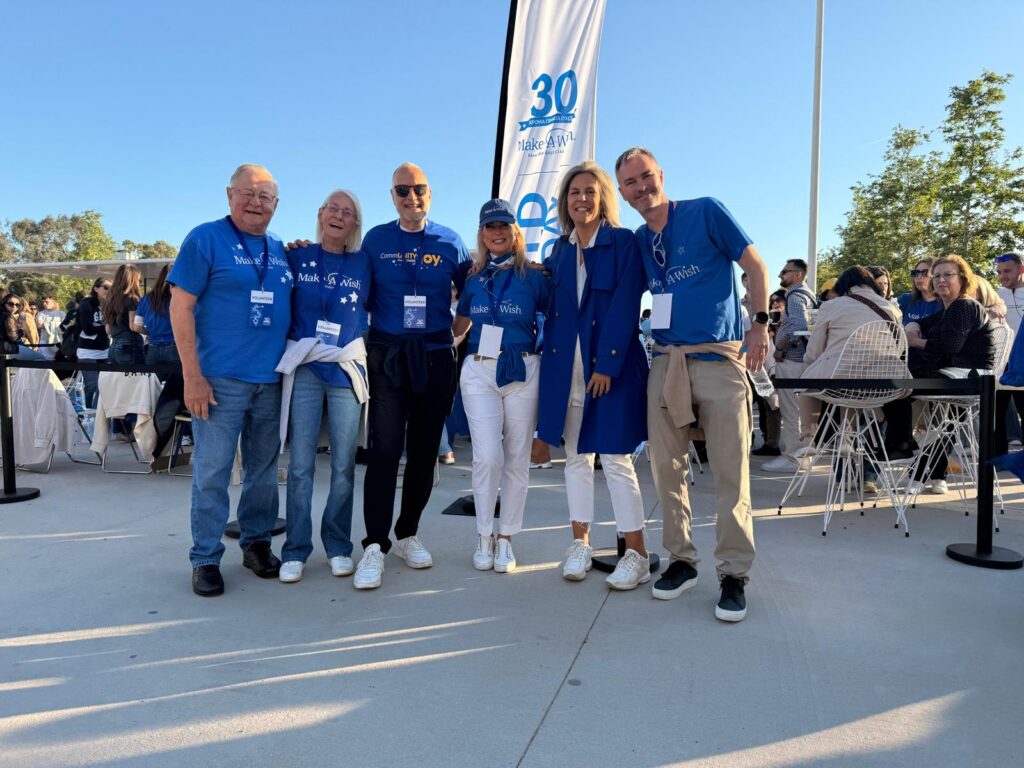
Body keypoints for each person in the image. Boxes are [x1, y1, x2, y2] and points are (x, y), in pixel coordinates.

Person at [615, 146, 768, 622]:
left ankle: (734, 573)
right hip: (665, 362)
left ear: (660, 174)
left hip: (719, 359)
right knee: (666, 469)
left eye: (645, 177)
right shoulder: (640, 239)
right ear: (621, 193)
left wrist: (759, 325)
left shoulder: (704, 211)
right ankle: (682, 560)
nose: (641, 188)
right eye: (630, 184)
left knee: (729, 472)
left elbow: (756, 267)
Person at [168, 164, 293, 597]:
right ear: (229, 195)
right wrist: (192, 376)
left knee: (262, 472)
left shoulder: (280, 249)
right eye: (248, 194)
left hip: (272, 380)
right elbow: (180, 307)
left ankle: (256, 543)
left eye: (266, 197)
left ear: (276, 205)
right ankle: (204, 557)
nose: (256, 203)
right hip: (218, 381)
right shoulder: (205, 238)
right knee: (212, 471)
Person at [353, 163, 471, 590]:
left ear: (430, 193)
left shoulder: (451, 241)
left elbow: (475, 292)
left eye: (418, 189)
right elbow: (354, 288)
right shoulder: (376, 240)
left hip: (436, 356)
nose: (411, 197)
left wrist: (454, 336)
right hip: (388, 355)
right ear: (392, 196)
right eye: (402, 190)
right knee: (384, 451)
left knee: (424, 453)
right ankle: (374, 545)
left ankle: (407, 533)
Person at [537, 160, 650, 590]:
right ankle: (579, 544)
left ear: (603, 196)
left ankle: (636, 553)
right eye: (573, 192)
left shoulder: (624, 243)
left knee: (617, 459)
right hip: (566, 370)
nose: (581, 199)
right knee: (575, 459)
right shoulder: (559, 251)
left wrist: (607, 364)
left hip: (611, 369)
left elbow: (624, 306)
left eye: (589, 191)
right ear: (565, 202)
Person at [275, 189, 370, 584]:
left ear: (354, 224)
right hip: (307, 368)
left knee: (344, 465)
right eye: (333, 208)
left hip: (345, 369)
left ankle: (338, 546)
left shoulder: (365, 263)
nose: (338, 216)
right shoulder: (295, 257)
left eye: (347, 212)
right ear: (320, 213)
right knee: (300, 465)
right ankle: (296, 549)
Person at [452, 199, 549, 574]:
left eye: (503, 227)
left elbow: (556, 316)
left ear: (515, 232)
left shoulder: (535, 277)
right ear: (481, 233)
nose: (497, 233)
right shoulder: (473, 279)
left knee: (516, 458)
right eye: (490, 227)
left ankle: (506, 538)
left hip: (522, 369)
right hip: (479, 370)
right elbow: (459, 327)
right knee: (486, 457)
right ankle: (483, 534)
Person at [883, 254, 995, 492]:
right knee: (942, 424)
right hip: (954, 375)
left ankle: (903, 446)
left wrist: (915, 343)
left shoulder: (964, 306)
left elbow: (948, 347)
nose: (941, 280)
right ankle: (921, 466)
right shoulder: (949, 308)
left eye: (948, 275)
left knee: (895, 386)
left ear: (963, 279)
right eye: (937, 276)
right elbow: (923, 323)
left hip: (967, 378)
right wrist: (913, 326)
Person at [764, 259, 816, 472]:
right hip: (803, 359)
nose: (780, 276)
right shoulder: (808, 295)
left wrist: (781, 348)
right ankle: (801, 455)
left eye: (784, 272)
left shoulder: (795, 296)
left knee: (791, 410)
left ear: (798, 275)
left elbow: (798, 325)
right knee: (802, 410)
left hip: (792, 359)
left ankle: (793, 456)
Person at [135, 264, 184, 458]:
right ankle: (175, 435)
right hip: (176, 348)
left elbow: (137, 326)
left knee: (153, 394)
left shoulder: (146, 299)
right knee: (176, 395)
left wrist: (151, 333)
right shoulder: (180, 297)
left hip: (153, 350)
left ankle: (149, 433)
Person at [994, 251, 1024, 454]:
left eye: (1007, 271)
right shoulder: (996, 295)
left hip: (1021, 363)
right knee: (997, 412)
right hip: (1001, 363)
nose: (1002, 276)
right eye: (999, 272)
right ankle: (997, 455)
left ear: (1021, 269)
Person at [76, 277, 111, 407]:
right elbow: (88, 328)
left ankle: (101, 412)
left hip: (104, 350)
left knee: (105, 385)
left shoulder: (110, 305)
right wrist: (105, 328)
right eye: (105, 287)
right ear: (96, 289)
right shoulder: (86, 304)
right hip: (87, 351)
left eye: (111, 288)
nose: (109, 291)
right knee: (92, 385)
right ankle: (89, 414)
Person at [103, 264, 145, 364]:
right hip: (130, 344)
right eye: (138, 280)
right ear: (132, 280)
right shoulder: (132, 298)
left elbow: (107, 330)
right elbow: (133, 326)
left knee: (118, 379)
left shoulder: (110, 300)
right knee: (137, 378)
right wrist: (150, 332)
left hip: (114, 346)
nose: (139, 283)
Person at [896, 257, 941, 324]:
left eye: (925, 273)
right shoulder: (905, 299)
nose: (919, 277)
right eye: (915, 273)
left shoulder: (945, 303)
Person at [35, 295, 64, 360]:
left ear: (53, 302)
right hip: (45, 342)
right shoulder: (41, 313)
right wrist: (57, 324)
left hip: (58, 342)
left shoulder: (61, 314)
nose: (44, 304)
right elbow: (39, 325)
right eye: (43, 302)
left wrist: (46, 325)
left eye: (47, 302)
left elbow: (65, 326)